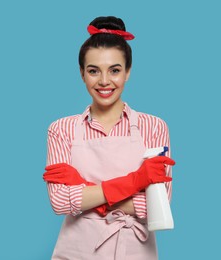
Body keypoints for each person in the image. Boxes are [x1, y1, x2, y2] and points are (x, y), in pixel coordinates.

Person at [43, 16, 175, 260]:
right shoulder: (61, 129)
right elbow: (60, 202)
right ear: (82, 74)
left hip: (135, 251)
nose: (104, 81)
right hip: (77, 251)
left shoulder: (154, 126)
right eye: (94, 71)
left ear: (128, 72)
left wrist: (85, 192)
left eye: (114, 70)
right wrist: (135, 182)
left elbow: (157, 204)